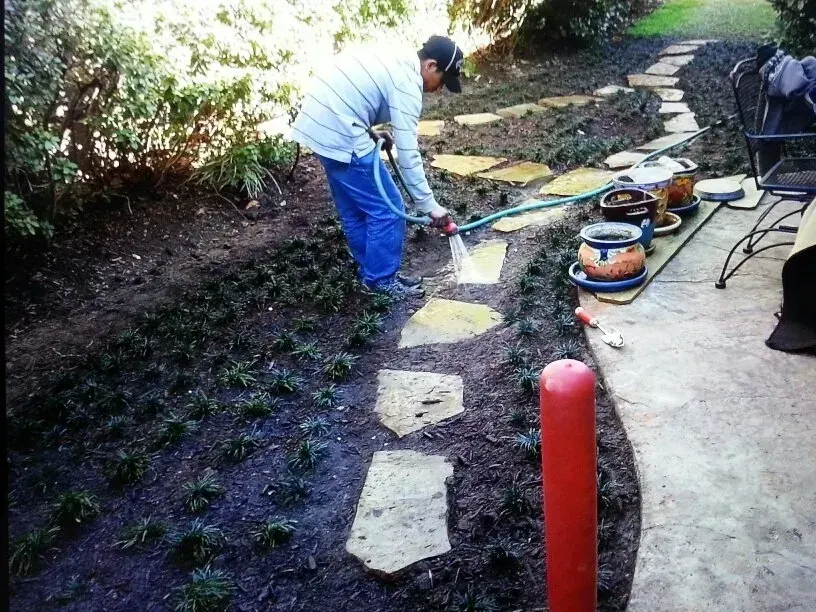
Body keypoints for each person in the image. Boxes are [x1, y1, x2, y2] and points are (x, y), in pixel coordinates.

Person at [291, 35, 464, 298]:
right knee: (388, 210)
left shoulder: (397, 56)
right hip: (339, 131)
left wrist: (369, 132)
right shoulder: (408, 82)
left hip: (319, 123)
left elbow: (358, 93)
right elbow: (408, 153)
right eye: (443, 80)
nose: (439, 88)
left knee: (356, 211)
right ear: (430, 66)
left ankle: (372, 273)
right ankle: (381, 282)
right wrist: (430, 206)